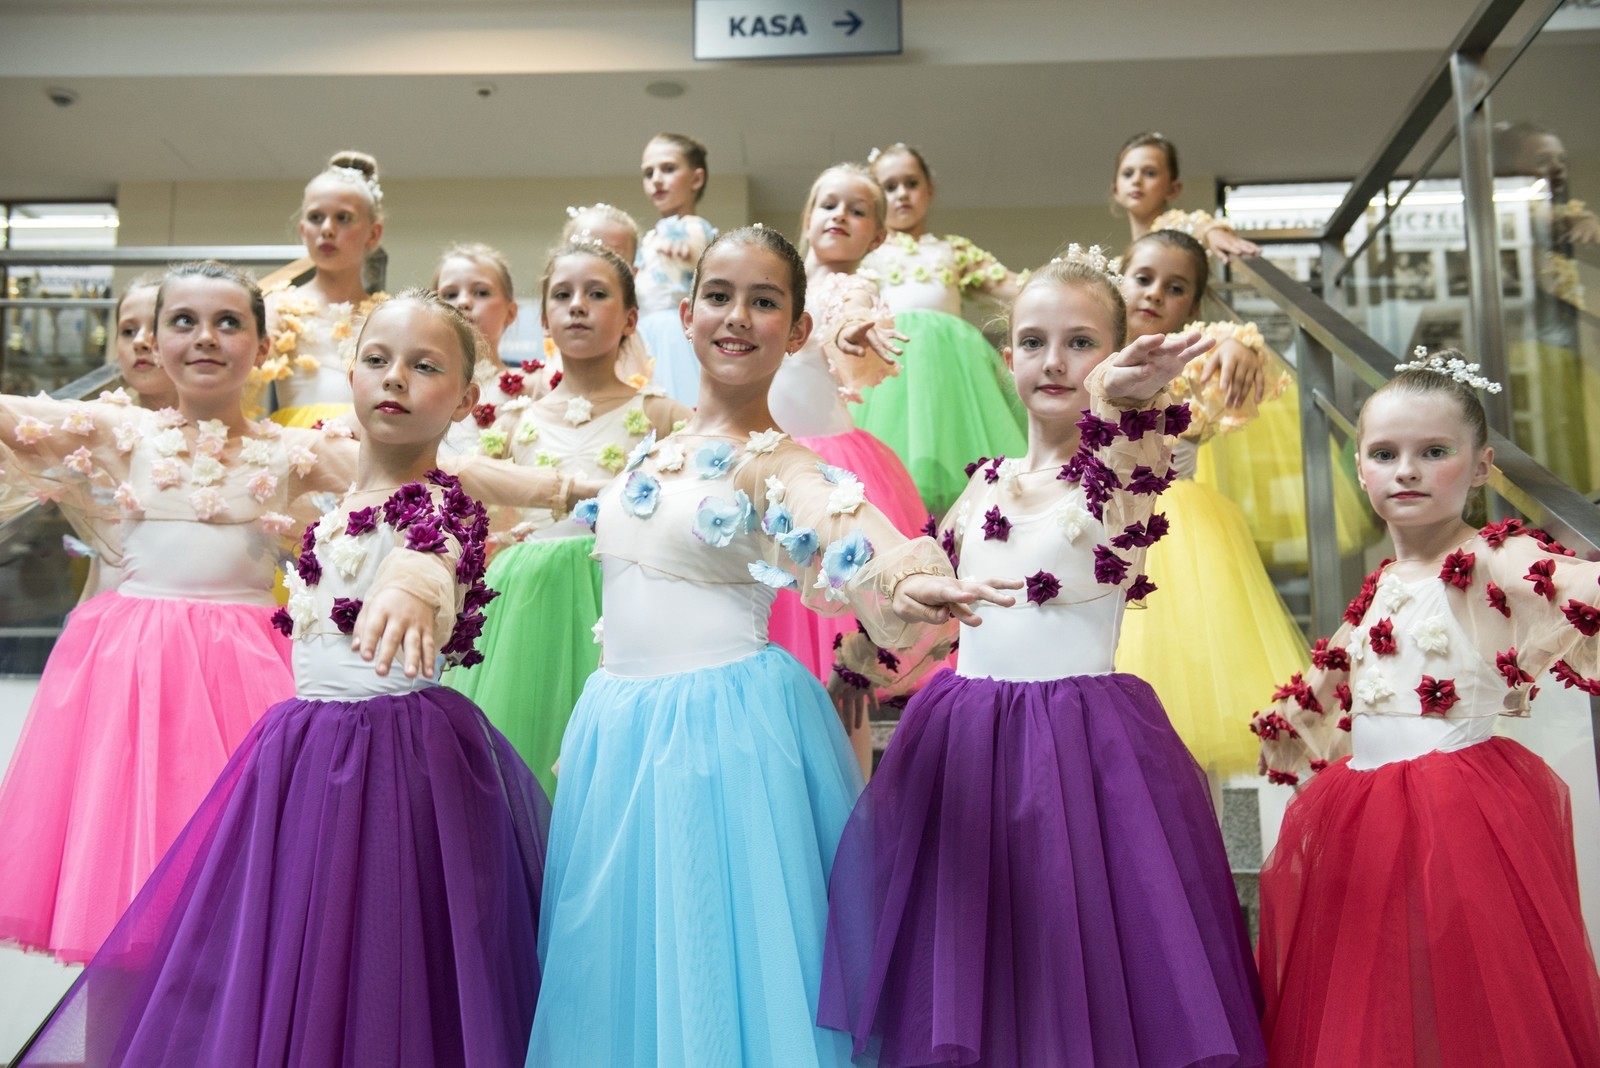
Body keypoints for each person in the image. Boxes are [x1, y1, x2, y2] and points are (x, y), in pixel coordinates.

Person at [12, 289, 554, 1068]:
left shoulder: (440, 506)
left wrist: (416, 584)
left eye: (423, 366)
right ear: (351, 374)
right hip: (305, 750)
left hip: (390, 757)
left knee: (382, 945)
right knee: (288, 943)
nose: (394, 377)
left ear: (465, 398)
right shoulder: (337, 502)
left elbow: (436, 546)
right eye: (377, 360)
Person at [525, 226, 1019, 1066]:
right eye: (720, 297)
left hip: (716, 739)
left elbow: (837, 512)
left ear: (796, 332)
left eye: (763, 303)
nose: (736, 317)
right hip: (619, 731)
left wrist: (903, 573)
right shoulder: (655, 445)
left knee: (716, 962)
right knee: (625, 966)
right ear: (687, 313)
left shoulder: (775, 462)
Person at [820, 251, 1266, 1068]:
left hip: (1080, 752)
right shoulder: (984, 484)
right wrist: (868, 650)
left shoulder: (1125, 471)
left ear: (1114, 354)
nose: (1054, 361)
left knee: (1071, 955)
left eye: (1081, 342)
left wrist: (1126, 396)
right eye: (1034, 341)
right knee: (974, 958)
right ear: (1008, 357)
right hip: (965, 747)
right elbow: (931, 599)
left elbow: (1131, 451)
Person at [0, 260, 361, 961]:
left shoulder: (295, 450)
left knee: (240, 885)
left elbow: (408, 479)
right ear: (156, 339)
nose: (206, 338)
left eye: (229, 323)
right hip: (131, 672)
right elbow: (14, 420)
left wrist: (553, 489)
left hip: (248, 671)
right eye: (184, 322)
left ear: (263, 345)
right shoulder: (118, 431)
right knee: (126, 882)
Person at [1251, 349, 1600, 1067]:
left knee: (1466, 996)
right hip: (1364, 815)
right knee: (1379, 996)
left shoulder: (1495, 557)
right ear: (1360, 469)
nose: (1406, 470)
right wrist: (1290, 725)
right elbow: (1340, 670)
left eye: (1434, 452)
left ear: (1482, 467)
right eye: (1385, 453)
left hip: (1460, 816)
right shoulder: (1383, 580)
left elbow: (1575, 585)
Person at [443, 242, 687, 794]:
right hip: (526, 604)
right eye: (563, 294)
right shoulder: (510, 420)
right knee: (523, 742)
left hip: (626, 595)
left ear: (630, 318)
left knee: (620, 763)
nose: (578, 305)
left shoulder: (664, 415)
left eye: (596, 294)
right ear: (544, 318)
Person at [1111, 229, 1311, 780]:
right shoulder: (1091, 350)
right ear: (1117, 280)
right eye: (1142, 278)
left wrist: (1239, 344)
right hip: (1097, 524)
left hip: (1176, 537)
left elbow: (1245, 355)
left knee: (1184, 703)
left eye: (1175, 288)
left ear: (1193, 306)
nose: (1155, 293)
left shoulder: (1193, 362)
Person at [766, 162, 928, 776]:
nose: (839, 215)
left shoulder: (851, 291)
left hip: (826, 467)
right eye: (828, 204)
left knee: (839, 657)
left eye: (857, 211)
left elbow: (847, 325)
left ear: (877, 236)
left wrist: (855, 332)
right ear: (807, 216)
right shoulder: (774, 280)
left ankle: (848, 799)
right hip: (764, 466)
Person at [855, 143, 1028, 513]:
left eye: (911, 183)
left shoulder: (953, 251)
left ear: (929, 190)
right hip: (892, 378)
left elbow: (1013, 285)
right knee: (890, 482)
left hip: (953, 380)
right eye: (889, 186)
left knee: (969, 479)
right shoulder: (868, 257)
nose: (902, 193)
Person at [258, 150, 388, 427]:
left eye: (344, 218)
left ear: (373, 233)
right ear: (303, 230)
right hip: (299, 442)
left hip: (370, 441)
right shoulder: (276, 306)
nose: (327, 229)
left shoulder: (388, 314)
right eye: (316, 217)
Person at [633, 133, 718, 406]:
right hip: (641, 335)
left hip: (675, 335)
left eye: (668, 169)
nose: (656, 179)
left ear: (696, 179)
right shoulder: (649, 239)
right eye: (648, 173)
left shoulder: (695, 227)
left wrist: (689, 250)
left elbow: (700, 251)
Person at [1111, 131, 1260, 259]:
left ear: (1173, 189)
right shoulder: (1119, 264)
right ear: (1116, 190)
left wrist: (1211, 231)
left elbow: (1193, 226)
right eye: (1128, 174)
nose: (1136, 180)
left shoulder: (1172, 231)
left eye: (1150, 173)